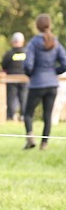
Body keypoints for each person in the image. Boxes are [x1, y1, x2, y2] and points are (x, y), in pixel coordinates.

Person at [23, 14, 66, 150]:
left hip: (37, 83)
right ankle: (44, 144)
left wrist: (31, 74)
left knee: (28, 113)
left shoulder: (34, 43)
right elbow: (65, 63)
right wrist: (54, 72)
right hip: (52, 84)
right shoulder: (55, 42)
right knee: (47, 115)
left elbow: (28, 65)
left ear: (37, 26)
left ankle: (30, 137)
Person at [0, 32, 28, 121]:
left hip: (11, 78)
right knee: (24, 97)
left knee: (11, 98)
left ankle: (11, 116)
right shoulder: (27, 52)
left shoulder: (9, 53)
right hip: (24, 78)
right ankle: (24, 115)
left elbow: (4, 65)